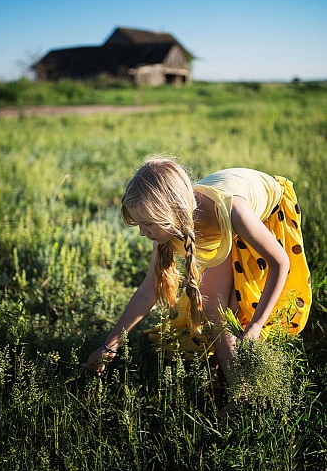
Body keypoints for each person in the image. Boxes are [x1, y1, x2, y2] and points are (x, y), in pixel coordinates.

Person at [82, 156, 312, 392]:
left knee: (241, 307)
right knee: (212, 304)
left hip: (265, 213)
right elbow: (149, 291)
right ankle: (239, 386)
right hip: (215, 227)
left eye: (147, 224)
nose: (142, 232)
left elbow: (280, 263)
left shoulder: (233, 211)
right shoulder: (167, 226)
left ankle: (244, 388)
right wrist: (110, 346)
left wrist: (255, 326)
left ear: (169, 213)